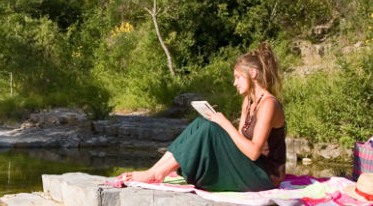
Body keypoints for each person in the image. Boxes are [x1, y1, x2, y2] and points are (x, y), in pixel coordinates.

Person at [122, 42, 286, 192]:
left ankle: (157, 174)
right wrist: (218, 125)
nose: (234, 83)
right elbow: (240, 144)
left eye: (238, 77)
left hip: (265, 176)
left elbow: (253, 152)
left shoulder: (269, 104)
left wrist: (224, 123)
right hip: (250, 167)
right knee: (202, 123)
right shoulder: (248, 102)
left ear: (253, 73)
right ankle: (157, 171)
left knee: (210, 128)